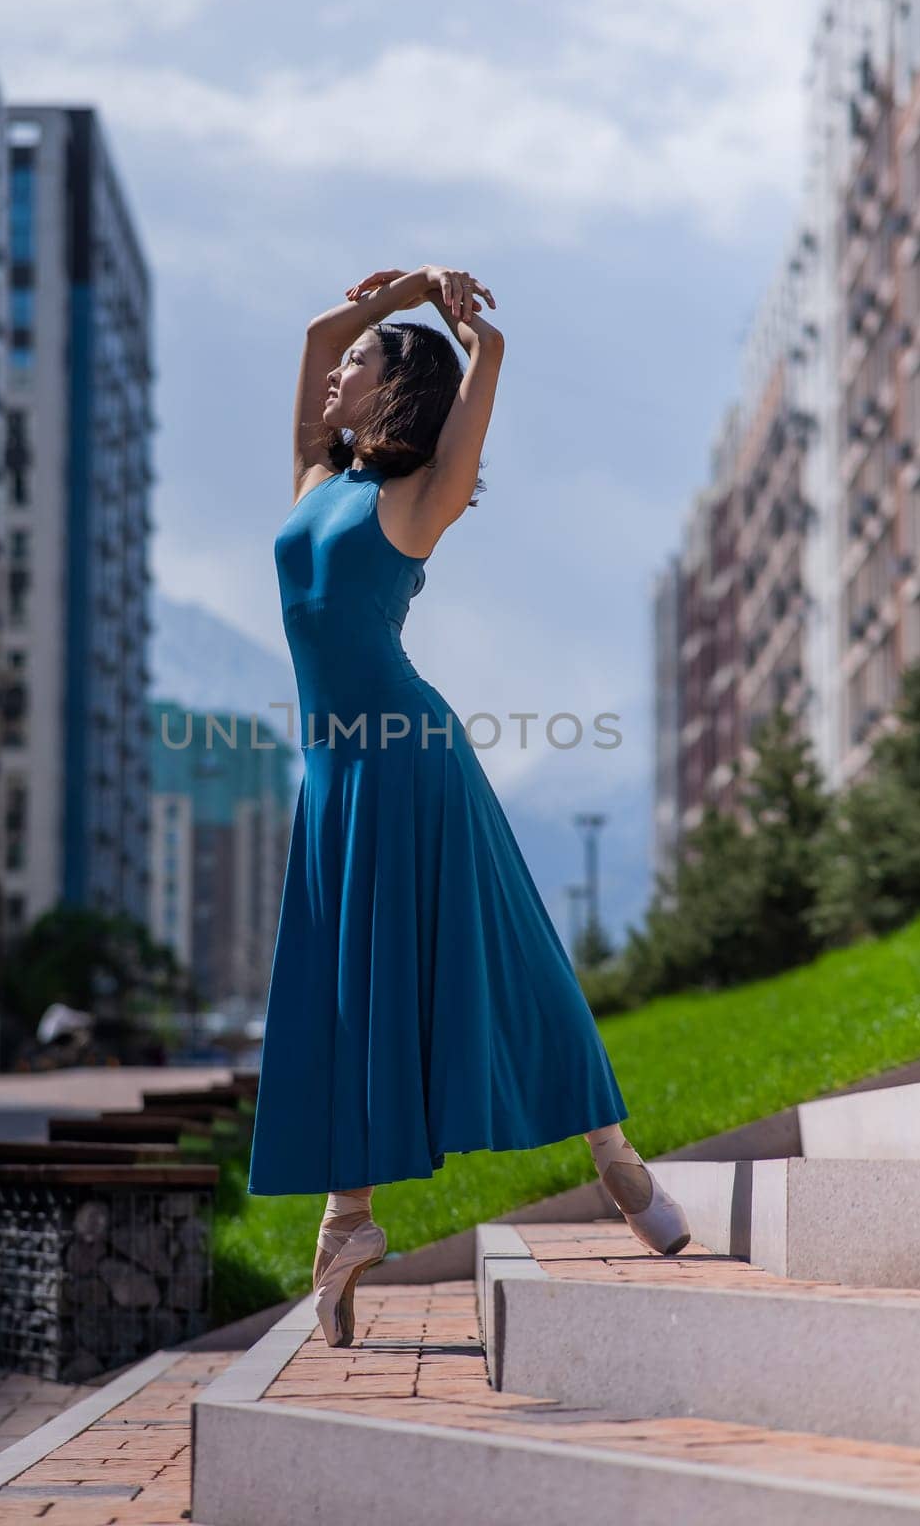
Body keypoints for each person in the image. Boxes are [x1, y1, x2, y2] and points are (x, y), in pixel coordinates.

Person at [246, 264, 690, 1348]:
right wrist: (383, 294)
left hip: (412, 760)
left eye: (364, 360)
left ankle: (612, 1155)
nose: (341, 368)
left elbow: (486, 373)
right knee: (348, 990)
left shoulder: (419, 494)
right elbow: (311, 341)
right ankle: (348, 1219)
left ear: (397, 386)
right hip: (337, 777)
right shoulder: (317, 482)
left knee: (507, 953)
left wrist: (457, 323)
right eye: (349, 359)